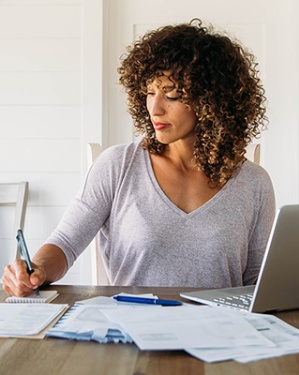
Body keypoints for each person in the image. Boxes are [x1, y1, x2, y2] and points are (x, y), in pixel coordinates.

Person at [2, 19, 275, 297]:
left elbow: (257, 283)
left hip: (222, 334)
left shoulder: (253, 183)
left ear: (212, 101)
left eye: (172, 95)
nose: (154, 109)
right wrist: (37, 269)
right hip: (132, 331)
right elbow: (65, 243)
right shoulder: (118, 166)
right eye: (149, 92)